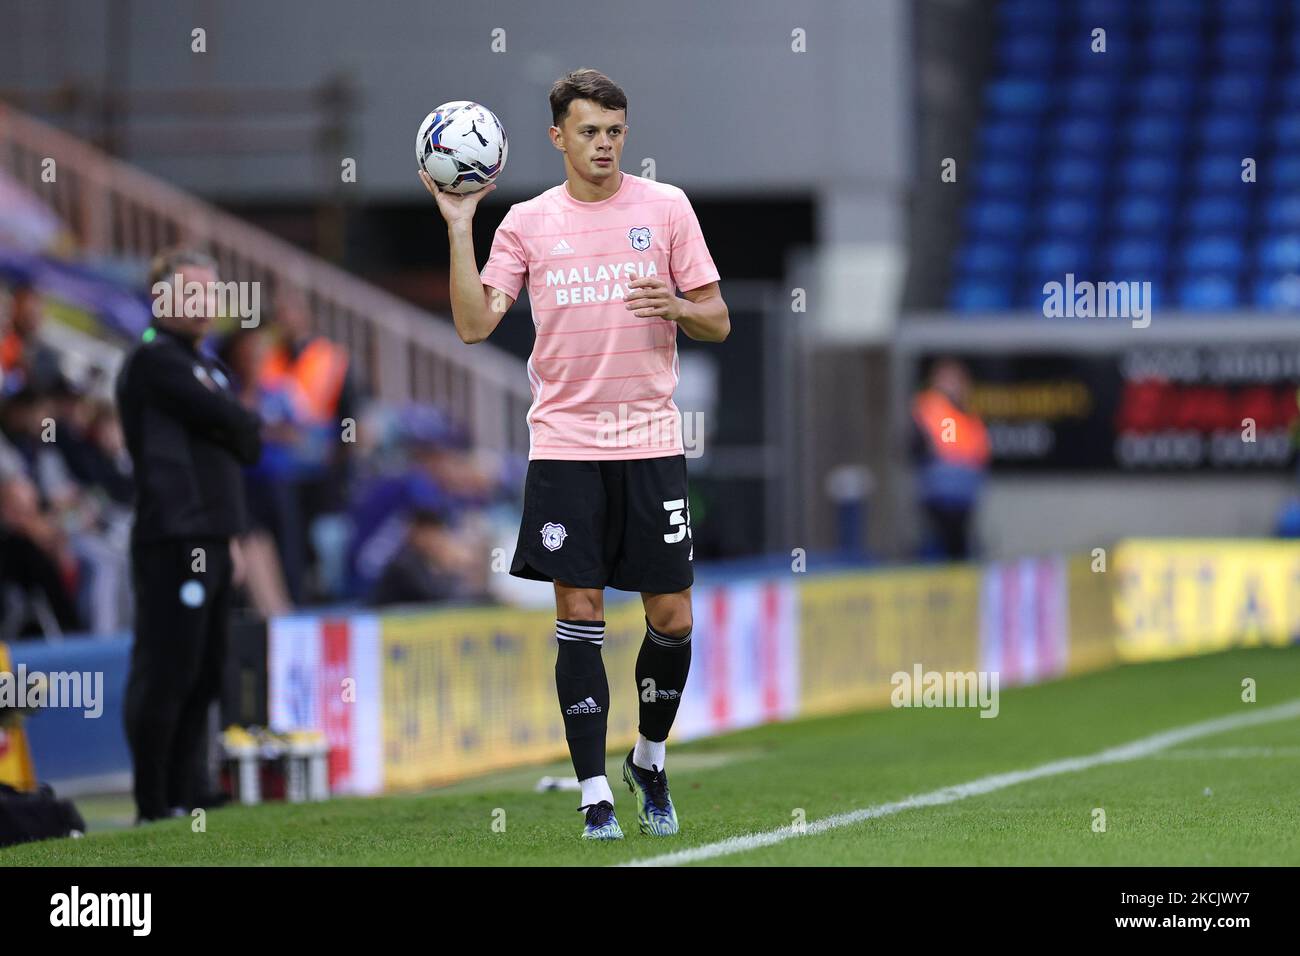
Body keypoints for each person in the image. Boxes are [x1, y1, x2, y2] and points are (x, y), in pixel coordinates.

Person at [421, 68, 729, 840]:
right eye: (589, 132)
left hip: (650, 442)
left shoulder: (666, 209)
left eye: (616, 131)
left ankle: (649, 759)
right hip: (565, 448)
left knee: (673, 615)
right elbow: (472, 325)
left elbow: (719, 320)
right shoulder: (525, 222)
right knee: (580, 610)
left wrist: (682, 306)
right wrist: (461, 223)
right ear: (558, 136)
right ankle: (594, 791)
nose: (604, 145)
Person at [115, 248, 262, 823]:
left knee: (205, 667)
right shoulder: (154, 360)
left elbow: (247, 442)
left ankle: (189, 786)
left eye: (210, 292)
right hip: (174, 537)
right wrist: (231, 421)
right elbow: (236, 423)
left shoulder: (208, 367)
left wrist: (232, 537)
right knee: (167, 665)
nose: (205, 303)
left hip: (215, 536)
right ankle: (153, 800)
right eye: (191, 292)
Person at [911, 358, 990, 561]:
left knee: (959, 546)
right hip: (943, 495)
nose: (955, 385)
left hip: (963, 494)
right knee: (945, 546)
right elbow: (947, 447)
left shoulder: (962, 412)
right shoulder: (938, 409)